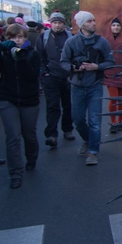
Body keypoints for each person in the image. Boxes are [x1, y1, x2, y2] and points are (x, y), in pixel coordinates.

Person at [0, 24, 41, 189]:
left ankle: (31, 158)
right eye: (13, 37)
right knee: (13, 136)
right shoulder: (3, 53)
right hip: (8, 99)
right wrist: (0, 48)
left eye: (20, 37)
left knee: (29, 135)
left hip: (29, 99)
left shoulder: (32, 53)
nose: (17, 40)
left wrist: (21, 59)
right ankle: (16, 173)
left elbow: (33, 76)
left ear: (25, 37)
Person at [60, 11, 115, 165]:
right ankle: (88, 140)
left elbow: (111, 62)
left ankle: (93, 152)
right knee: (78, 120)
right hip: (77, 86)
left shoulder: (102, 42)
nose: (93, 23)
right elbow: (63, 62)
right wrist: (73, 68)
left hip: (95, 86)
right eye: (89, 21)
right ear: (82, 24)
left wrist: (97, 66)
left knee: (95, 121)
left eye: (93, 20)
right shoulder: (71, 42)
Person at [37, 11, 75, 147]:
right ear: (51, 23)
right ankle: (51, 134)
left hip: (67, 76)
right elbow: (39, 56)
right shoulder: (43, 37)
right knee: (52, 106)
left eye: (59, 23)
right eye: (54, 23)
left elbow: (75, 55)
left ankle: (67, 129)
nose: (57, 25)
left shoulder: (70, 37)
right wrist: (44, 73)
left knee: (67, 105)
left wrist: (73, 71)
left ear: (63, 24)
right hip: (51, 76)